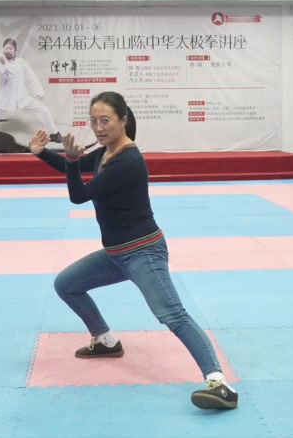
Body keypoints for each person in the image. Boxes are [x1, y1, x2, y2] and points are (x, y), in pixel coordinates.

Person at [29, 91, 238, 410]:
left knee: (172, 314)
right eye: (94, 121)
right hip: (116, 254)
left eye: (106, 121)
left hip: (144, 253)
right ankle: (105, 341)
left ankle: (219, 384)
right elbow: (75, 165)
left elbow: (79, 195)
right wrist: (42, 153)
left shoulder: (128, 161)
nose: (99, 127)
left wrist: (70, 161)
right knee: (66, 285)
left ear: (123, 120)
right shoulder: (105, 153)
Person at [0, 38, 61, 154]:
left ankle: (56, 134)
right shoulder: (0, 63)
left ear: (15, 50)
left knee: (44, 110)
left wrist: (38, 92)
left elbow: (31, 77)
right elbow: (9, 74)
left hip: (23, 98)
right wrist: (2, 59)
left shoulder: (22, 62)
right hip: (4, 100)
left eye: (10, 48)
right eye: (6, 49)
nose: (8, 51)